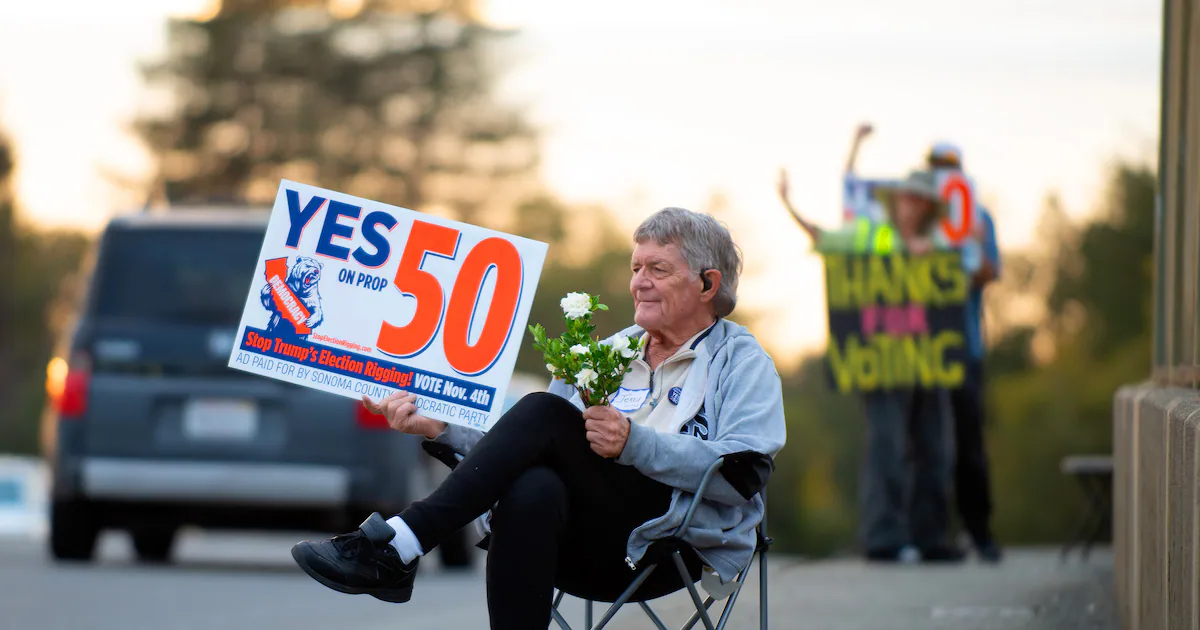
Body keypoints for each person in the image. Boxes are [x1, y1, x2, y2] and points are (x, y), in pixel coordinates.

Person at [290, 207, 787, 629]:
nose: (638, 283)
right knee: (533, 486)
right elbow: (529, 447)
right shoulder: (610, 353)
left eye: (657, 269)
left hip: (669, 546)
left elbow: (742, 474)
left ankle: (400, 544)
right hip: (579, 540)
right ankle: (401, 547)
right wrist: (437, 428)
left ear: (707, 283)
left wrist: (635, 443)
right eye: (635, 268)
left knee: (547, 412)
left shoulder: (741, 362)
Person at [777, 168, 966, 563]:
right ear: (896, 201)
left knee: (936, 447)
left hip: (930, 362)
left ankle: (931, 537)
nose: (911, 205)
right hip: (880, 365)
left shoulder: (940, 241)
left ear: (929, 206)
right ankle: (883, 538)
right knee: (887, 447)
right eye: (906, 197)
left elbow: (962, 276)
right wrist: (788, 204)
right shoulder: (870, 234)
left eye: (919, 199)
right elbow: (823, 239)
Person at [926, 142, 1003, 563]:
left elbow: (989, 273)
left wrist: (969, 247)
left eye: (949, 168)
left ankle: (980, 532)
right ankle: (933, 536)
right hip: (916, 352)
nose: (943, 175)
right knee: (928, 446)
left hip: (965, 348)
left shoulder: (979, 217)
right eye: (936, 168)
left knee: (969, 445)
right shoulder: (916, 219)